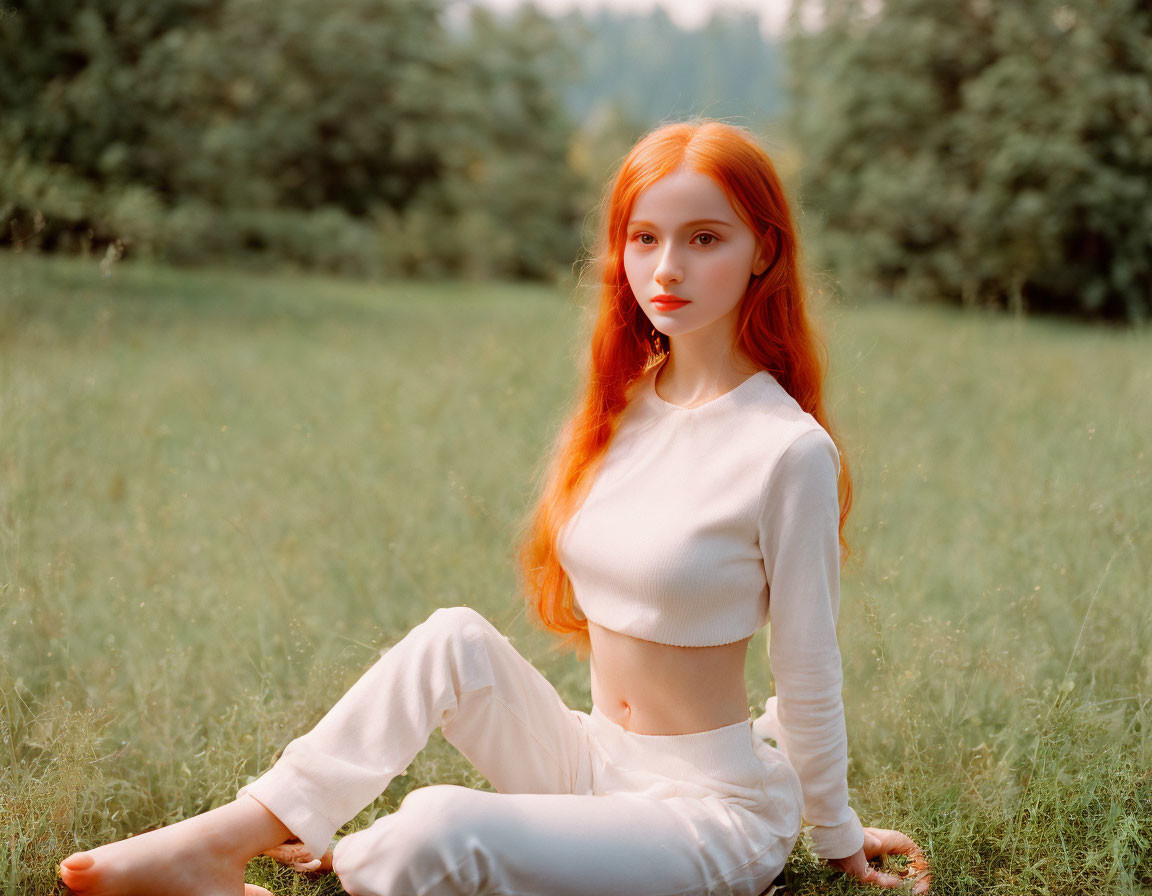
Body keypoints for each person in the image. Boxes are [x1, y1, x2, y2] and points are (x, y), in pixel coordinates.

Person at [58, 118, 930, 896]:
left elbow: (810, 673)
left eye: (705, 238)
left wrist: (837, 837)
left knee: (440, 826)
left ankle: (363, 858)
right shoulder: (626, 406)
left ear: (763, 250)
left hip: (706, 812)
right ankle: (217, 843)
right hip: (589, 761)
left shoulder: (789, 451)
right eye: (645, 237)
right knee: (454, 640)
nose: (666, 269)